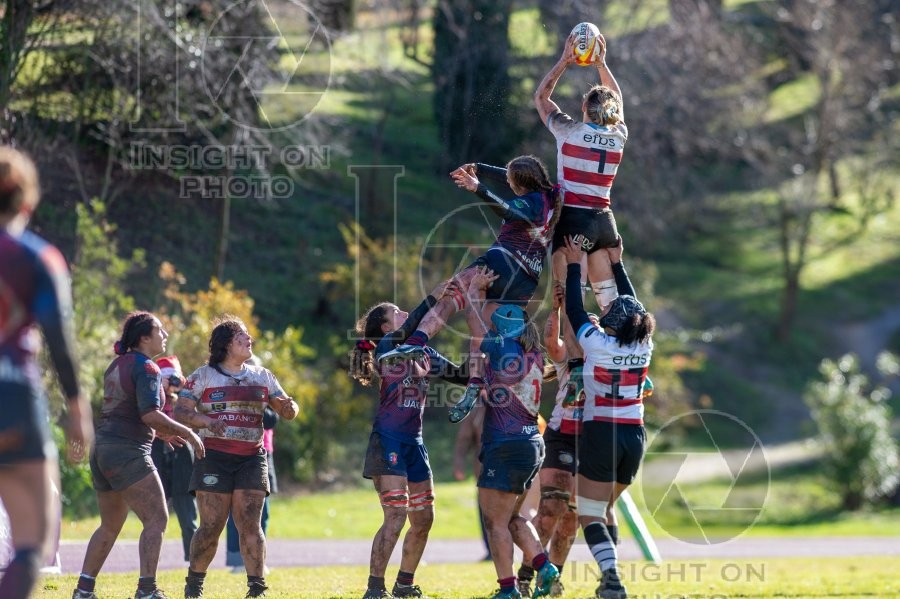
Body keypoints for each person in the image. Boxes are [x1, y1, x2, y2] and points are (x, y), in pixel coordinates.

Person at [376, 156, 561, 421]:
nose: (508, 182)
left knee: (451, 296)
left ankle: (417, 341)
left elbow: (507, 209)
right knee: (480, 328)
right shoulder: (549, 196)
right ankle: (475, 382)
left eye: (511, 180)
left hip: (504, 261)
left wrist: (478, 187)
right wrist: (482, 169)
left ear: (521, 183)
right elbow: (512, 176)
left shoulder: (529, 203)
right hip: (527, 281)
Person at [0, 146, 93, 599]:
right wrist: (78, 407)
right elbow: (59, 338)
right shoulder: (39, 257)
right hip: (13, 396)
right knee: (32, 541)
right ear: (27, 202)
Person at [73, 311, 205, 599]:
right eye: (160, 331)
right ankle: (146, 590)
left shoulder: (116, 364)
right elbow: (149, 414)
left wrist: (161, 432)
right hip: (127, 452)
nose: (165, 335)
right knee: (157, 518)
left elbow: (127, 413)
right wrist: (188, 432)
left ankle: (83, 590)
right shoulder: (147, 368)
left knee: (109, 525)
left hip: (103, 448)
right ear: (144, 337)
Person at [351, 280, 468, 599]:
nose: (404, 312)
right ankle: (375, 588)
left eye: (403, 310)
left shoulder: (424, 352)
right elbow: (416, 323)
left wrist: (484, 343)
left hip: (415, 445)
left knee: (424, 518)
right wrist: (436, 296)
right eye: (396, 311)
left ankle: (404, 584)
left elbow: (462, 376)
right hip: (387, 441)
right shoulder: (389, 344)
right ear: (386, 326)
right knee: (396, 516)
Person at [175, 317, 298, 599]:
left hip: (252, 458)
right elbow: (181, 413)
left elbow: (287, 408)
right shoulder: (203, 375)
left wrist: (290, 407)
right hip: (213, 457)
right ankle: (194, 586)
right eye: (242, 337)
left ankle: (257, 589)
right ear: (227, 344)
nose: (249, 339)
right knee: (211, 526)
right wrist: (204, 420)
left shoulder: (262, 376)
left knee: (250, 523)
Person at [559, 236, 655, 599]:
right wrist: (616, 265)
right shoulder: (645, 345)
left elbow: (574, 310)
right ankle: (607, 577)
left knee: (589, 514)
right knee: (607, 508)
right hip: (634, 436)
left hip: (602, 432)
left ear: (613, 325)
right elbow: (635, 307)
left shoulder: (597, 344)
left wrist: (572, 264)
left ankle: (612, 577)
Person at [534, 31, 627, 403]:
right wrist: (601, 63)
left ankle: (573, 374)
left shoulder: (569, 132)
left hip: (573, 221)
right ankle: (628, 367)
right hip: (605, 222)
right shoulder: (619, 135)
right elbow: (617, 101)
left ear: (585, 110)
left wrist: (564, 60)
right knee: (611, 302)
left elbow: (542, 98)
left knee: (565, 300)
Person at [463, 269, 559, 599]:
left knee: (495, 522)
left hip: (506, 443)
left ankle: (508, 590)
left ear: (504, 323)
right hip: (532, 442)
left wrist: (475, 291)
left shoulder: (501, 346)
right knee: (513, 516)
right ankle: (544, 566)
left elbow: (474, 325)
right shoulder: (531, 353)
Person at [516, 283, 585, 598]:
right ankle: (526, 577)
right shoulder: (567, 359)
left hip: (593, 441)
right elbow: (549, 340)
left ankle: (554, 581)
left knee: (571, 520)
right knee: (549, 510)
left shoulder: (608, 361)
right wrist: (557, 309)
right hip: (561, 437)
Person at [149, 355, 198, 562]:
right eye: (166, 378)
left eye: (174, 378)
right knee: (154, 515)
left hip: (182, 459)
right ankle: (151, 561)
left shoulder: (186, 401)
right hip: (157, 453)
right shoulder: (152, 397)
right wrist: (159, 389)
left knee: (188, 516)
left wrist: (184, 389)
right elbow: (148, 417)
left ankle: (194, 560)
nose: (172, 383)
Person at [226, 403, 278, 574]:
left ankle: (258, 559)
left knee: (263, 512)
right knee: (238, 510)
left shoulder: (267, 394)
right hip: (239, 452)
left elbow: (271, 420)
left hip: (264, 453)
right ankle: (237, 560)